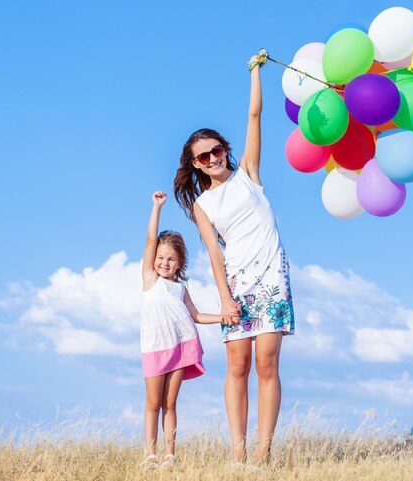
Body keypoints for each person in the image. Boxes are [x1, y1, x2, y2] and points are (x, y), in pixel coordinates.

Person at [173, 51, 295, 467]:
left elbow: (256, 116)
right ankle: (238, 455)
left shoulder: (248, 173)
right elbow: (212, 254)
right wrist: (224, 301)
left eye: (216, 150)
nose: (212, 158)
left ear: (225, 149)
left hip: (272, 279)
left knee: (267, 363)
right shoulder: (203, 205)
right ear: (194, 164)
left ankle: (263, 455)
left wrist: (255, 73)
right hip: (237, 285)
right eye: (202, 156)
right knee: (238, 367)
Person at [140, 190, 232, 470]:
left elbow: (195, 316)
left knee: (170, 402)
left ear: (179, 263)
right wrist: (156, 207)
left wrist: (223, 316)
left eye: (171, 259)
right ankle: (150, 455)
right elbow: (149, 240)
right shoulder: (150, 279)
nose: (164, 263)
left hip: (180, 347)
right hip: (155, 348)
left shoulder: (181, 288)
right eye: (160, 258)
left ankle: (169, 455)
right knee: (153, 402)